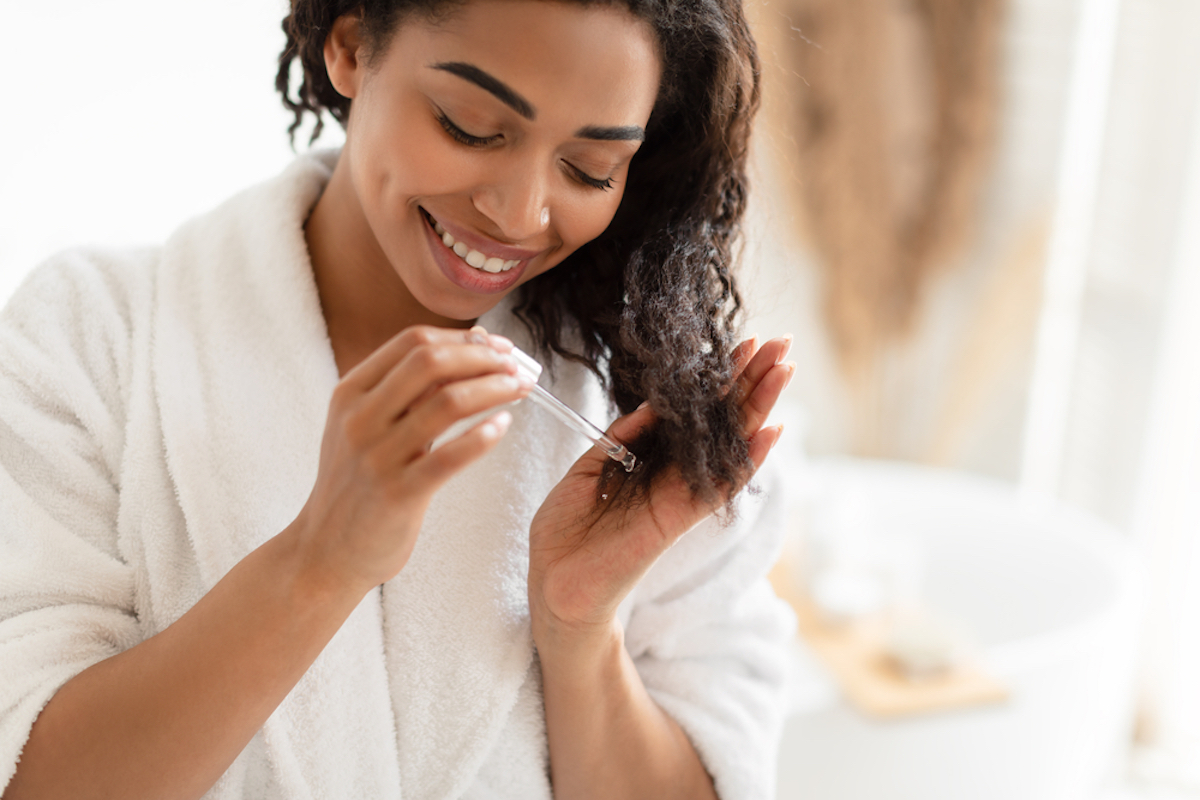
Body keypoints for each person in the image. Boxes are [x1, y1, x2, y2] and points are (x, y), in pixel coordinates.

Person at [0, 0, 796, 798]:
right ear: (349, 47)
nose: (520, 214)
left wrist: (579, 625)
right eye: (470, 126)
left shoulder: (644, 407)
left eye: (589, 169)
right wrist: (319, 559)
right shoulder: (93, 336)